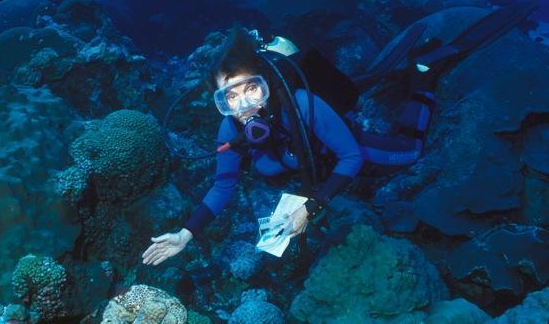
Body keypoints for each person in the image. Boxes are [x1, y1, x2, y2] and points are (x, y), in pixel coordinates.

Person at [141, 26, 440, 266]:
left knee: (411, 152)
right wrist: (186, 233)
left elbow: (350, 157)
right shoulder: (228, 128)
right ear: (220, 102)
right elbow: (223, 186)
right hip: (315, 170)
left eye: (252, 88)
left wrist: (311, 209)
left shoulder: (299, 105)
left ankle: (424, 77)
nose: (245, 106)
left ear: (266, 84)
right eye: (230, 97)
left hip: (339, 153)